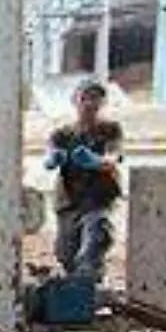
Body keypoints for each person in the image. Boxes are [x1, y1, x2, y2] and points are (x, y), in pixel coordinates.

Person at [45, 78, 124, 283]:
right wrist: (54, 159)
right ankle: (75, 287)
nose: (90, 103)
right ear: (75, 101)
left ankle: (90, 287)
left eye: (96, 99)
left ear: (103, 103)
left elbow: (113, 157)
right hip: (68, 201)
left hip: (98, 199)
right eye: (85, 98)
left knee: (94, 241)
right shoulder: (62, 134)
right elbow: (49, 157)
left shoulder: (110, 130)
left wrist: (96, 161)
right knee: (65, 254)